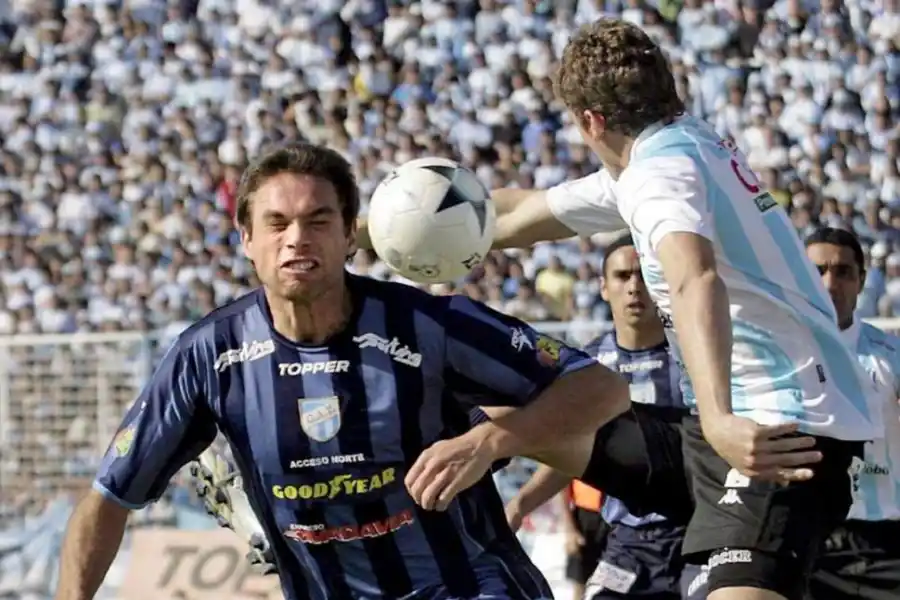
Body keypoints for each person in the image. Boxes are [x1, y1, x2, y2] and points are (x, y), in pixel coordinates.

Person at [357, 18, 875, 600]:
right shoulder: (672, 151)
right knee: (518, 401)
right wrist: (366, 230)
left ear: (591, 121)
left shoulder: (659, 176)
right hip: (713, 436)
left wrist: (718, 417)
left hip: (776, 430)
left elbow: (694, 277)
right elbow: (513, 217)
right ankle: (477, 471)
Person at [53, 142, 635, 600]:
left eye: (318, 221)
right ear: (246, 239)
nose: (297, 240)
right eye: (277, 224)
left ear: (351, 232)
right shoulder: (208, 355)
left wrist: (492, 441)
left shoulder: (427, 325)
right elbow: (108, 498)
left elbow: (601, 386)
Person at [505, 236, 699, 600]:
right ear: (603, 288)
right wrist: (520, 504)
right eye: (622, 276)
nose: (634, 287)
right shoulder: (588, 368)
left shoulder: (696, 355)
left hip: (699, 535)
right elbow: (572, 451)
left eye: (644, 275)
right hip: (629, 541)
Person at [804, 228, 900, 600]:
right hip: (806, 540)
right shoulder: (775, 357)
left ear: (861, 280)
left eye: (842, 272)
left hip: (886, 540)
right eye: (818, 271)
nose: (830, 283)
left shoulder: (890, 354)